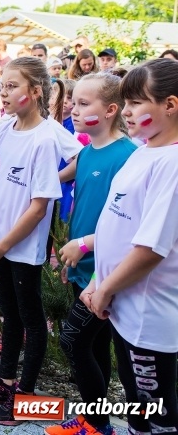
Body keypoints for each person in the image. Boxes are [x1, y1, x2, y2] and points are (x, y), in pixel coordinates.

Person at [0, 57, 75, 427]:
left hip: (21, 248)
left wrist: (2, 244)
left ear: (34, 92)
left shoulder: (45, 139)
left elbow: (36, 208)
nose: (4, 91)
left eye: (13, 86)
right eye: (2, 85)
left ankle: (27, 396)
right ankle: (7, 381)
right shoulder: (2, 129)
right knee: (8, 313)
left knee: (30, 319)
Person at [82, 59, 178, 434]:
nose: (127, 112)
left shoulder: (171, 163)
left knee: (155, 413)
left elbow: (152, 248)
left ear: (169, 105)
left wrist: (105, 288)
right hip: (125, 304)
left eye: (137, 103)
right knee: (137, 405)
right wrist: (98, 282)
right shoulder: (145, 148)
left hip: (146, 314)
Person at [44, 73, 136, 435]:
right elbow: (58, 188)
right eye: (74, 102)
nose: (73, 109)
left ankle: (98, 424)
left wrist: (84, 246)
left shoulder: (128, 157)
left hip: (108, 272)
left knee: (73, 341)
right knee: (95, 347)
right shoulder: (85, 152)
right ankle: (96, 423)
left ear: (111, 110)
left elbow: (129, 225)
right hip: (81, 265)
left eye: (84, 104)